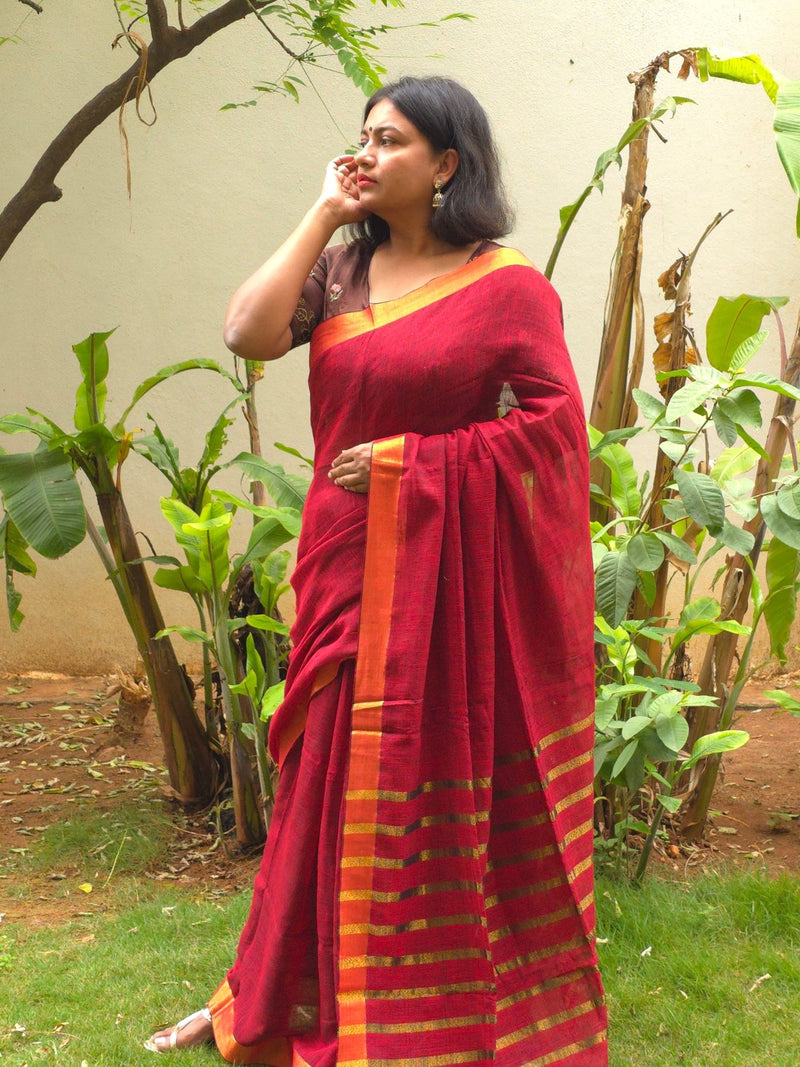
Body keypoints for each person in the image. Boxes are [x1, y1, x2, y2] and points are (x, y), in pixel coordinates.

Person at [146, 75, 607, 1065]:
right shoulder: (339, 272)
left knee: (418, 785)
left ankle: (425, 1005)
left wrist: (416, 465)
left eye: (389, 141)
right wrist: (323, 207)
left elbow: (554, 431)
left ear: (444, 164)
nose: (367, 152)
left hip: (438, 585)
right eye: (359, 137)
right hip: (343, 565)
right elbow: (246, 332)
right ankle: (287, 993)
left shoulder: (504, 284)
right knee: (325, 781)